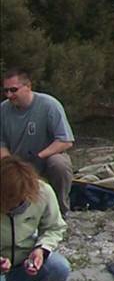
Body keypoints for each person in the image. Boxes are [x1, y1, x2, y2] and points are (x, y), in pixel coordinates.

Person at [0, 67, 75, 216]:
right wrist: (9, 163)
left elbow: (65, 140)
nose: (9, 95)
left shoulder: (49, 105)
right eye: (6, 91)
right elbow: (1, 142)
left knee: (59, 164)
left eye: (13, 90)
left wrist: (40, 156)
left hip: (43, 160)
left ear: (28, 86)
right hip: (16, 164)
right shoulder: (3, 109)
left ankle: (60, 210)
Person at [1, 156, 70, 281]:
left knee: (59, 267)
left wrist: (41, 249)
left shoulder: (43, 191)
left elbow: (54, 227)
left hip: (25, 259)